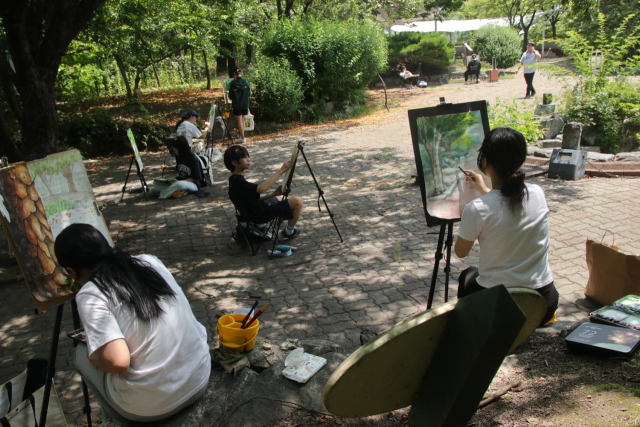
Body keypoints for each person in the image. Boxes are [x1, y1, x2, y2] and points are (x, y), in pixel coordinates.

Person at [54, 224, 211, 426]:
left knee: (80, 355)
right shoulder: (148, 261)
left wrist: (93, 355)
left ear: (70, 271)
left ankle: (114, 420)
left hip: (154, 407)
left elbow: (119, 362)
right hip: (199, 377)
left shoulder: (91, 294)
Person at [455, 127, 559, 325]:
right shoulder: (537, 193)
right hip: (543, 302)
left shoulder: (477, 209)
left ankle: (470, 332)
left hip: (499, 307)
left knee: (468, 275)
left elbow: (461, 252)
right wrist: (485, 190)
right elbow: (505, 204)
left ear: (485, 161)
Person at [224, 145, 303, 239]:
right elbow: (261, 189)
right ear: (234, 162)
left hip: (253, 212)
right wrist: (281, 170)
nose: (248, 159)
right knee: (297, 201)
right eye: (245, 158)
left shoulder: (234, 180)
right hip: (259, 215)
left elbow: (254, 197)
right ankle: (289, 231)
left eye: (248, 157)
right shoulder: (239, 182)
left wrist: (274, 193)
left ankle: (262, 227)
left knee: (282, 197)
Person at [228, 67, 251, 144]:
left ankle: (243, 137)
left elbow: (230, 96)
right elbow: (249, 93)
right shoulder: (245, 81)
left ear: (234, 73)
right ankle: (242, 136)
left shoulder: (233, 83)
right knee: (243, 120)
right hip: (245, 103)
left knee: (239, 120)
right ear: (241, 72)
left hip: (237, 104)